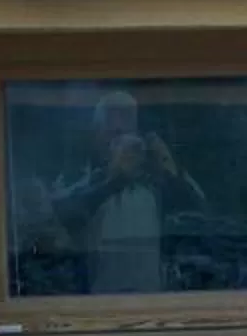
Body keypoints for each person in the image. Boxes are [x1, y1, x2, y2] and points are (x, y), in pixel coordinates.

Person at [49, 89, 205, 293]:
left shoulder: (153, 181)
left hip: (151, 300)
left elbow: (198, 212)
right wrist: (112, 181)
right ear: (96, 134)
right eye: (113, 133)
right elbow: (63, 218)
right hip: (96, 302)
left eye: (127, 132)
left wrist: (170, 169)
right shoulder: (78, 177)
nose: (121, 143)